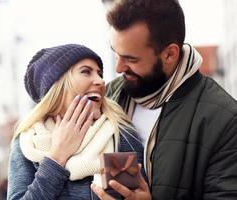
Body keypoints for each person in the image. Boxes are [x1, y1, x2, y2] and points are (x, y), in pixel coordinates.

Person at [91, 0, 237, 199]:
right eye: (116, 54)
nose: (118, 68)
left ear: (169, 54)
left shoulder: (224, 119)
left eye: (131, 59)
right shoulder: (109, 97)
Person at [7, 44, 145, 200]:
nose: (100, 81)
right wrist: (57, 156)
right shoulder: (28, 143)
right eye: (86, 71)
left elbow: (129, 194)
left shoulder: (117, 135)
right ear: (57, 86)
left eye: (99, 73)